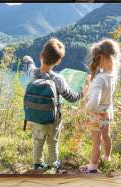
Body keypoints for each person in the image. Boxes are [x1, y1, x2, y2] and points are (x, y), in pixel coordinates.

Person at [23, 38, 88, 173]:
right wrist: (83, 92)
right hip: (54, 119)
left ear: (41, 56)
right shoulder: (58, 79)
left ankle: (38, 164)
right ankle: (53, 164)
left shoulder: (33, 73)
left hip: (37, 117)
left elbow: (29, 65)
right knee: (53, 142)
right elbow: (72, 98)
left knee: (38, 140)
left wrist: (28, 59)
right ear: (58, 61)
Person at [80, 39, 121, 174]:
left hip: (97, 114)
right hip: (107, 112)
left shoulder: (100, 78)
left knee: (96, 141)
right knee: (106, 136)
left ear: (102, 57)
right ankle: (107, 157)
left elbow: (94, 102)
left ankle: (93, 166)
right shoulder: (112, 76)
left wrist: (85, 108)